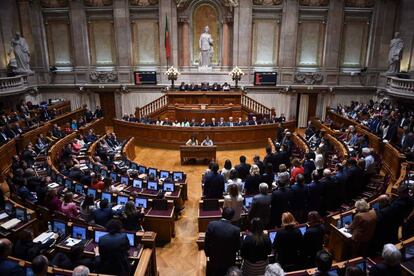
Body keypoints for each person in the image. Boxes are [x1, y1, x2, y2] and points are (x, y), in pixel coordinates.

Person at [204, 208, 240, 276]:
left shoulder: (211, 225)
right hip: (229, 260)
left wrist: (208, 254)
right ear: (232, 217)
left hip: (214, 258)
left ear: (221, 214)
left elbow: (206, 242)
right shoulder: (236, 230)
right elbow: (237, 247)